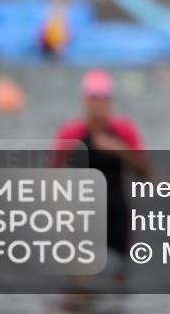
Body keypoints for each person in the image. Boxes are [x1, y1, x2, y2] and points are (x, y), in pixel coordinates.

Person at [55, 69, 150, 283]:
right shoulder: (71, 134)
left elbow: (145, 173)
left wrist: (120, 150)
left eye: (104, 99)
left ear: (111, 101)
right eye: (93, 98)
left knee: (119, 286)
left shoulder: (124, 131)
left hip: (117, 215)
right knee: (78, 287)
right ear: (84, 101)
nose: (98, 105)